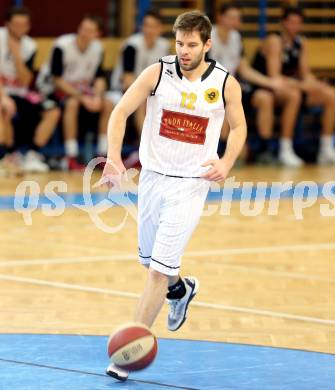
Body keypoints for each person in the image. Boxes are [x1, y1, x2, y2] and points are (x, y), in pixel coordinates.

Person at [101, 11, 247, 381]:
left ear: (207, 44)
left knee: (155, 273)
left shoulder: (225, 84)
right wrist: (115, 159)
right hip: (151, 180)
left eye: (192, 45)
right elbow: (119, 113)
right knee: (150, 262)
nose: (184, 50)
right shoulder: (157, 73)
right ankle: (180, 290)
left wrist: (227, 160)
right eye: (179, 43)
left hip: (190, 184)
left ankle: (126, 355)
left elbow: (240, 126)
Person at [252, 6, 335, 166]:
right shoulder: (274, 40)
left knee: (331, 94)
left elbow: (305, 73)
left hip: (292, 86)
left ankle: (326, 149)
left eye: (298, 23)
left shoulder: (301, 42)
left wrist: (315, 83)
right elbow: (274, 76)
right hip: (268, 88)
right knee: (294, 95)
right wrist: (303, 85)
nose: (294, 26)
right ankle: (285, 149)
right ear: (283, 23)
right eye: (291, 22)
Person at [210, 2, 304, 166]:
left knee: (264, 98)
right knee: (226, 101)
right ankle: (222, 150)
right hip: (209, 88)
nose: (236, 21)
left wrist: (271, 83)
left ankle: (264, 150)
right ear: (220, 17)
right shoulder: (207, 36)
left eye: (238, 18)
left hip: (232, 86)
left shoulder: (236, 38)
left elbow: (245, 69)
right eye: (232, 17)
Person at [37, 15, 112, 170]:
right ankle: (71, 156)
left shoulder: (98, 49)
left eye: (90, 31)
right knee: (72, 103)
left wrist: (97, 97)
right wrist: (82, 97)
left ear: (97, 34)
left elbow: (99, 78)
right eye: (83, 29)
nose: (84, 33)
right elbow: (57, 80)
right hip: (51, 89)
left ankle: (103, 155)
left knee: (108, 104)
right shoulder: (62, 45)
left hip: (81, 92)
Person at [0, 6, 60, 173]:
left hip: (20, 93)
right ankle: (7, 155)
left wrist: (16, 54)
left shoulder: (30, 45)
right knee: (4, 107)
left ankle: (32, 154)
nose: (20, 29)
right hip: (2, 93)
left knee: (52, 110)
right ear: (7, 24)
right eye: (16, 25)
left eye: (23, 25)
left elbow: (26, 80)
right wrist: (3, 97)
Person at [107, 9, 170, 168]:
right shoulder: (132, 45)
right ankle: (147, 149)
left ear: (160, 29)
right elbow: (127, 79)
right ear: (142, 27)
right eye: (146, 25)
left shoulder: (164, 46)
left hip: (152, 91)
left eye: (154, 26)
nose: (149, 30)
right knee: (144, 101)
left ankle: (167, 150)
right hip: (121, 90)